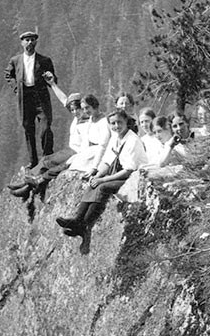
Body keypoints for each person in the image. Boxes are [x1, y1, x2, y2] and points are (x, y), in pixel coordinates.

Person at [56, 108, 147, 253]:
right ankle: (77, 220)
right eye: (113, 123)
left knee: (103, 187)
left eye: (119, 122)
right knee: (93, 183)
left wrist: (103, 179)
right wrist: (97, 176)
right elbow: (106, 162)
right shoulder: (115, 138)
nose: (116, 126)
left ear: (126, 122)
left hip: (134, 178)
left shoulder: (132, 140)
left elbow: (128, 170)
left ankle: (85, 226)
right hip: (119, 173)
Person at [8, 90, 85, 200]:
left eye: (77, 109)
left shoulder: (87, 121)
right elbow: (64, 100)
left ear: (82, 107)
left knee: (48, 162)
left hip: (75, 152)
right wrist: (53, 84)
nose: (74, 112)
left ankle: (26, 185)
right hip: (70, 149)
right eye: (72, 110)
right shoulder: (77, 118)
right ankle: (26, 185)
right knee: (45, 159)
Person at [4, 30, 56, 168]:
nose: (30, 42)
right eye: (26, 40)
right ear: (22, 43)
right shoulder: (15, 61)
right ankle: (33, 161)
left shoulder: (44, 60)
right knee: (28, 129)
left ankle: (47, 157)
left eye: (32, 40)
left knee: (45, 127)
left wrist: (51, 77)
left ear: (36, 42)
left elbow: (53, 79)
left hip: (41, 96)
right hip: (25, 97)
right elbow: (8, 75)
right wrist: (16, 88)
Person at [65, 94, 112, 176]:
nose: (85, 111)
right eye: (83, 109)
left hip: (99, 154)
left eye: (87, 107)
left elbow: (103, 146)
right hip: (90, 152)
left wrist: (94, 167)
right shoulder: (91, 119)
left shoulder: (103, 121)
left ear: (94, 106)